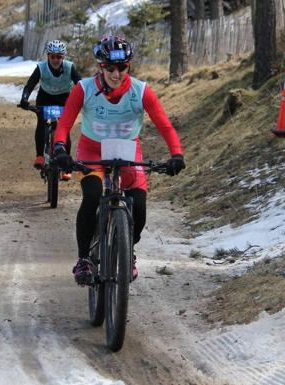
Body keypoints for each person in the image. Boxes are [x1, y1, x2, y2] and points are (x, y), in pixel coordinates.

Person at [52, 36, 186, 285]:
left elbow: (164, 126)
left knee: (140, 206)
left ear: (129, 66)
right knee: (92, 196)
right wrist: (60, 148)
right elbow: (64, 124)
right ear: (100, 67)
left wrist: (176, 154)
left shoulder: (141, 91)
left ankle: (127, 251)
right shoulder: (84, 89)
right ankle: (84, 259)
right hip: (92, 152)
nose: (116, 73)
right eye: (110, 68)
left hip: (128, 152)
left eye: (122, 67)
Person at [18, 40, 81, 177]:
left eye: (59, 57)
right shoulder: (41, 67)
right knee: (41, 123)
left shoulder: (69, 67)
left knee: (63, 128)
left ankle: (66, 165)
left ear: (63, 57)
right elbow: (30, 85)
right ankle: (40, 156)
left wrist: (85, 100)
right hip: (45, 97)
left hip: (63, 98)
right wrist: (24, 99)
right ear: (48, 56)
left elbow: (80, 85)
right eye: (53, 56)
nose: (56, 60)